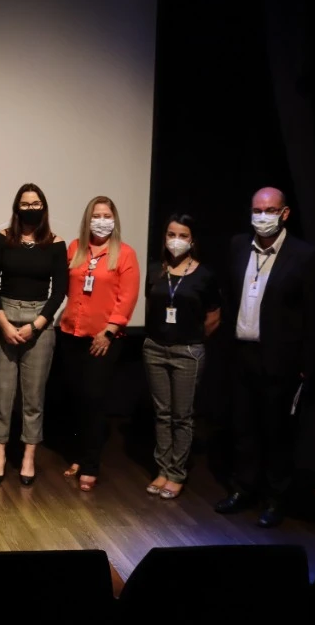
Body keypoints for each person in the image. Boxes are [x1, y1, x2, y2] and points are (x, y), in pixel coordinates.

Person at [214, 187, 315, 528]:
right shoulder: (238, 246)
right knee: (243, 426)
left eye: (271, 210)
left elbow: (314, 315)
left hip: (280, 359)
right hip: (241, 353)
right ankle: (243, 489)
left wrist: (307, 365)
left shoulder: (304, 255)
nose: (263, 217)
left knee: (277, 432)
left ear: (285, 213)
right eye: (258, 210)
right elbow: (229, 296)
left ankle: (276, 498)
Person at [55, 195, 141, 492]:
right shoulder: (74, 249)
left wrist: (108, 331)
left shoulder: (125, 254)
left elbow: (127, 297)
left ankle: (91, 464)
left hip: (103, 339)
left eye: (106, 216)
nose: (101, 221)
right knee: (76, 398)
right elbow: (69, 289)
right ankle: (78, 456)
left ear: (114, 220)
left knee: (93, 398)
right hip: (71, 334)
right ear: (87, 220)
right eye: (96, 216)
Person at [0, 183, 68, 486]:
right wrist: (3, 323)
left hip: (39, 321)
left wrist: (36, 325)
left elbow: (60, 290)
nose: (30, 208)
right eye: (25, 204)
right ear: (16, 207)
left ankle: (29, 456)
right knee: (2, 394)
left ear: (43, 208)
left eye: (35, 204)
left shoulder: (56, 244)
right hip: (3, 319)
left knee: (33, 397)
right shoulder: (2, 239)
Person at [142, 213, 222, 500]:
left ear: (192, 240)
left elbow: (213, 318)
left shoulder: (204, 275)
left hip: (187, 353)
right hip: (155, 348)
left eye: (183, 235)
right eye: (171, 234)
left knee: (182, 416)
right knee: (162, 414)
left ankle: (177, 473)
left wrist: (191, 339)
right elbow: (150, 306)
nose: (176, 240)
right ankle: (163, 469)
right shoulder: (155, 270)